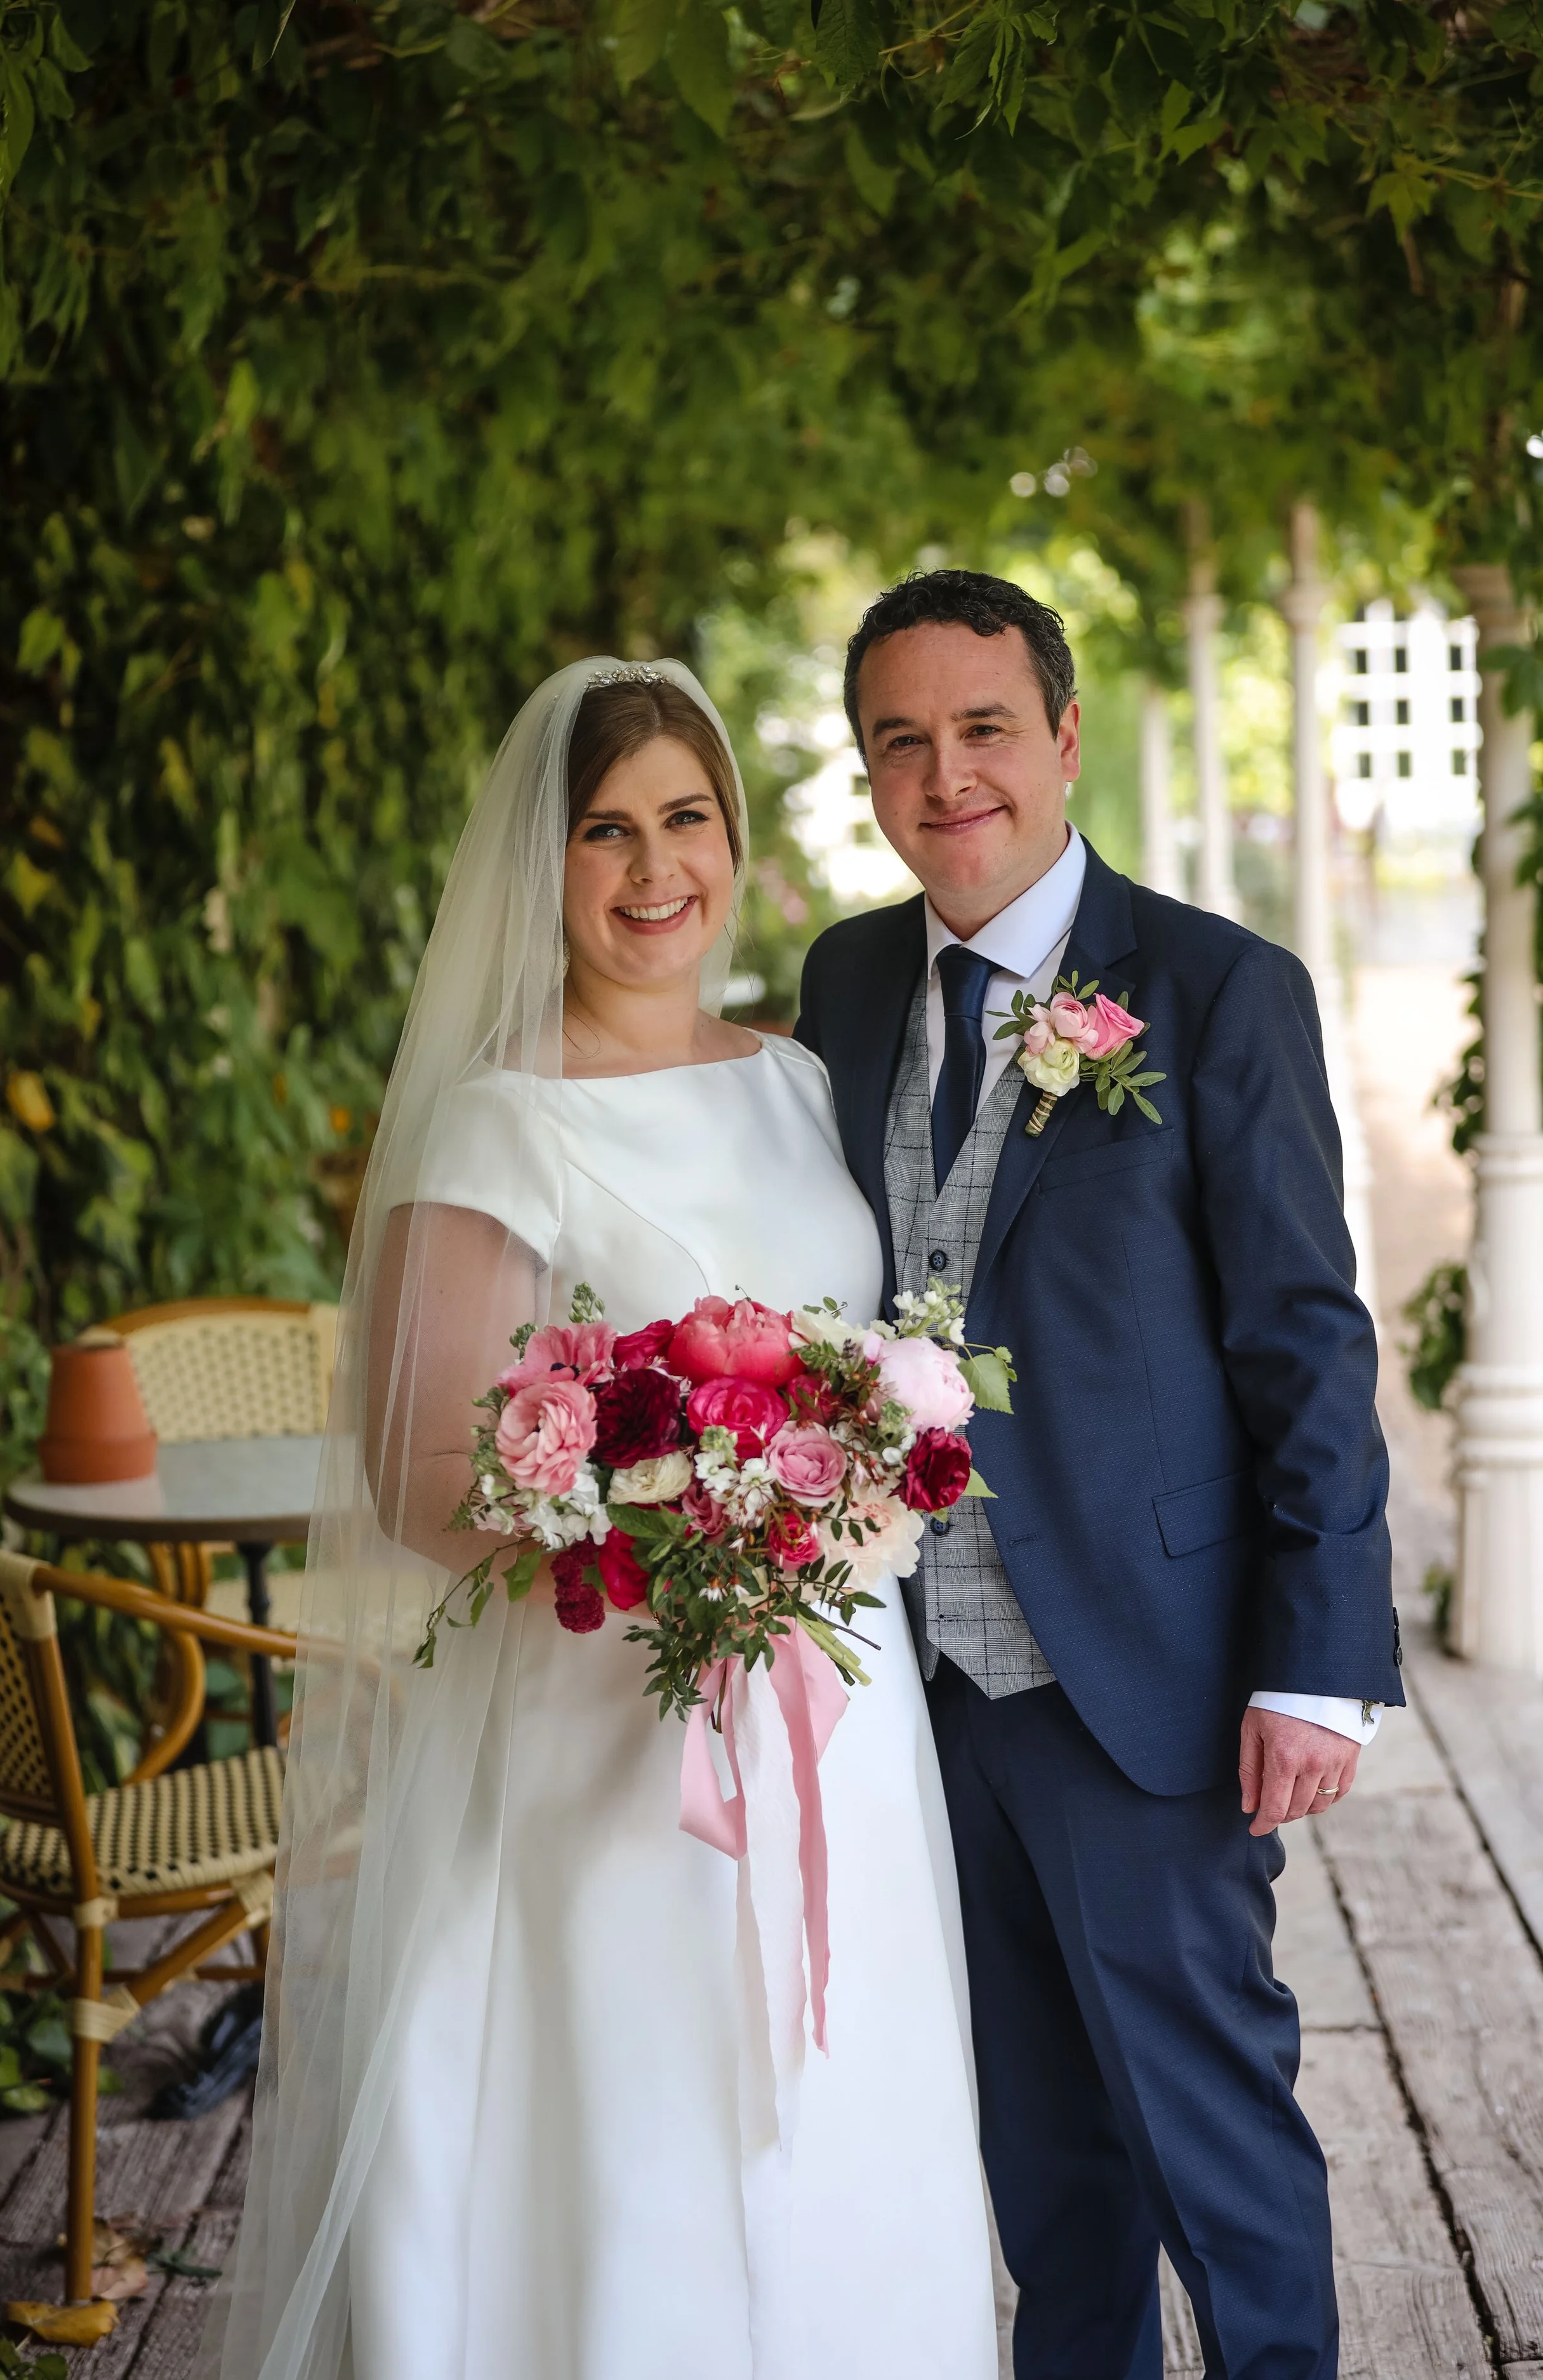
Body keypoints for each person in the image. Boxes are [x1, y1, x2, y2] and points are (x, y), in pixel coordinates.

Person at [202, 657, 998, 2380]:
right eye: (606, 830)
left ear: (733, 833)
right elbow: (417, 1470)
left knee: (831, 2114)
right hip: (607, 1735)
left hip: (835, 1726)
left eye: (686, 819)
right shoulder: (500, 1121)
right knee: (634, 2133)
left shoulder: (794, 1080)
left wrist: (835, 1478)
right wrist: (679, 1525)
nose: (655, 871)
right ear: (542, 866)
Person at [795, 570, 1403, 2380]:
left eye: (981, 726)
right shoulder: (838, 983)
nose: (944, 774)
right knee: (1041, 2172)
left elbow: (1304, 1339)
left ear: (1060, 737)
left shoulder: (1219, 990)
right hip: (913, 1687)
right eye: (898, 739)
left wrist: (1317, 1661)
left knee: (1210, 2144)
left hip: (1144, 1671)